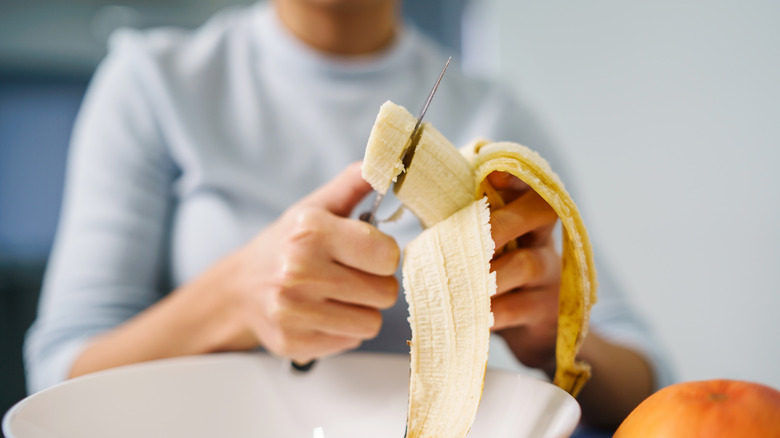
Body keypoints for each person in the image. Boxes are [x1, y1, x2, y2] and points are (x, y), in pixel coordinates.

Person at [25, 0, 672, 430]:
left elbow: (655, 393)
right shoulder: (151, 82)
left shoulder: (495, 116)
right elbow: (56, 377)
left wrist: (555, 332)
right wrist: (237, 298)